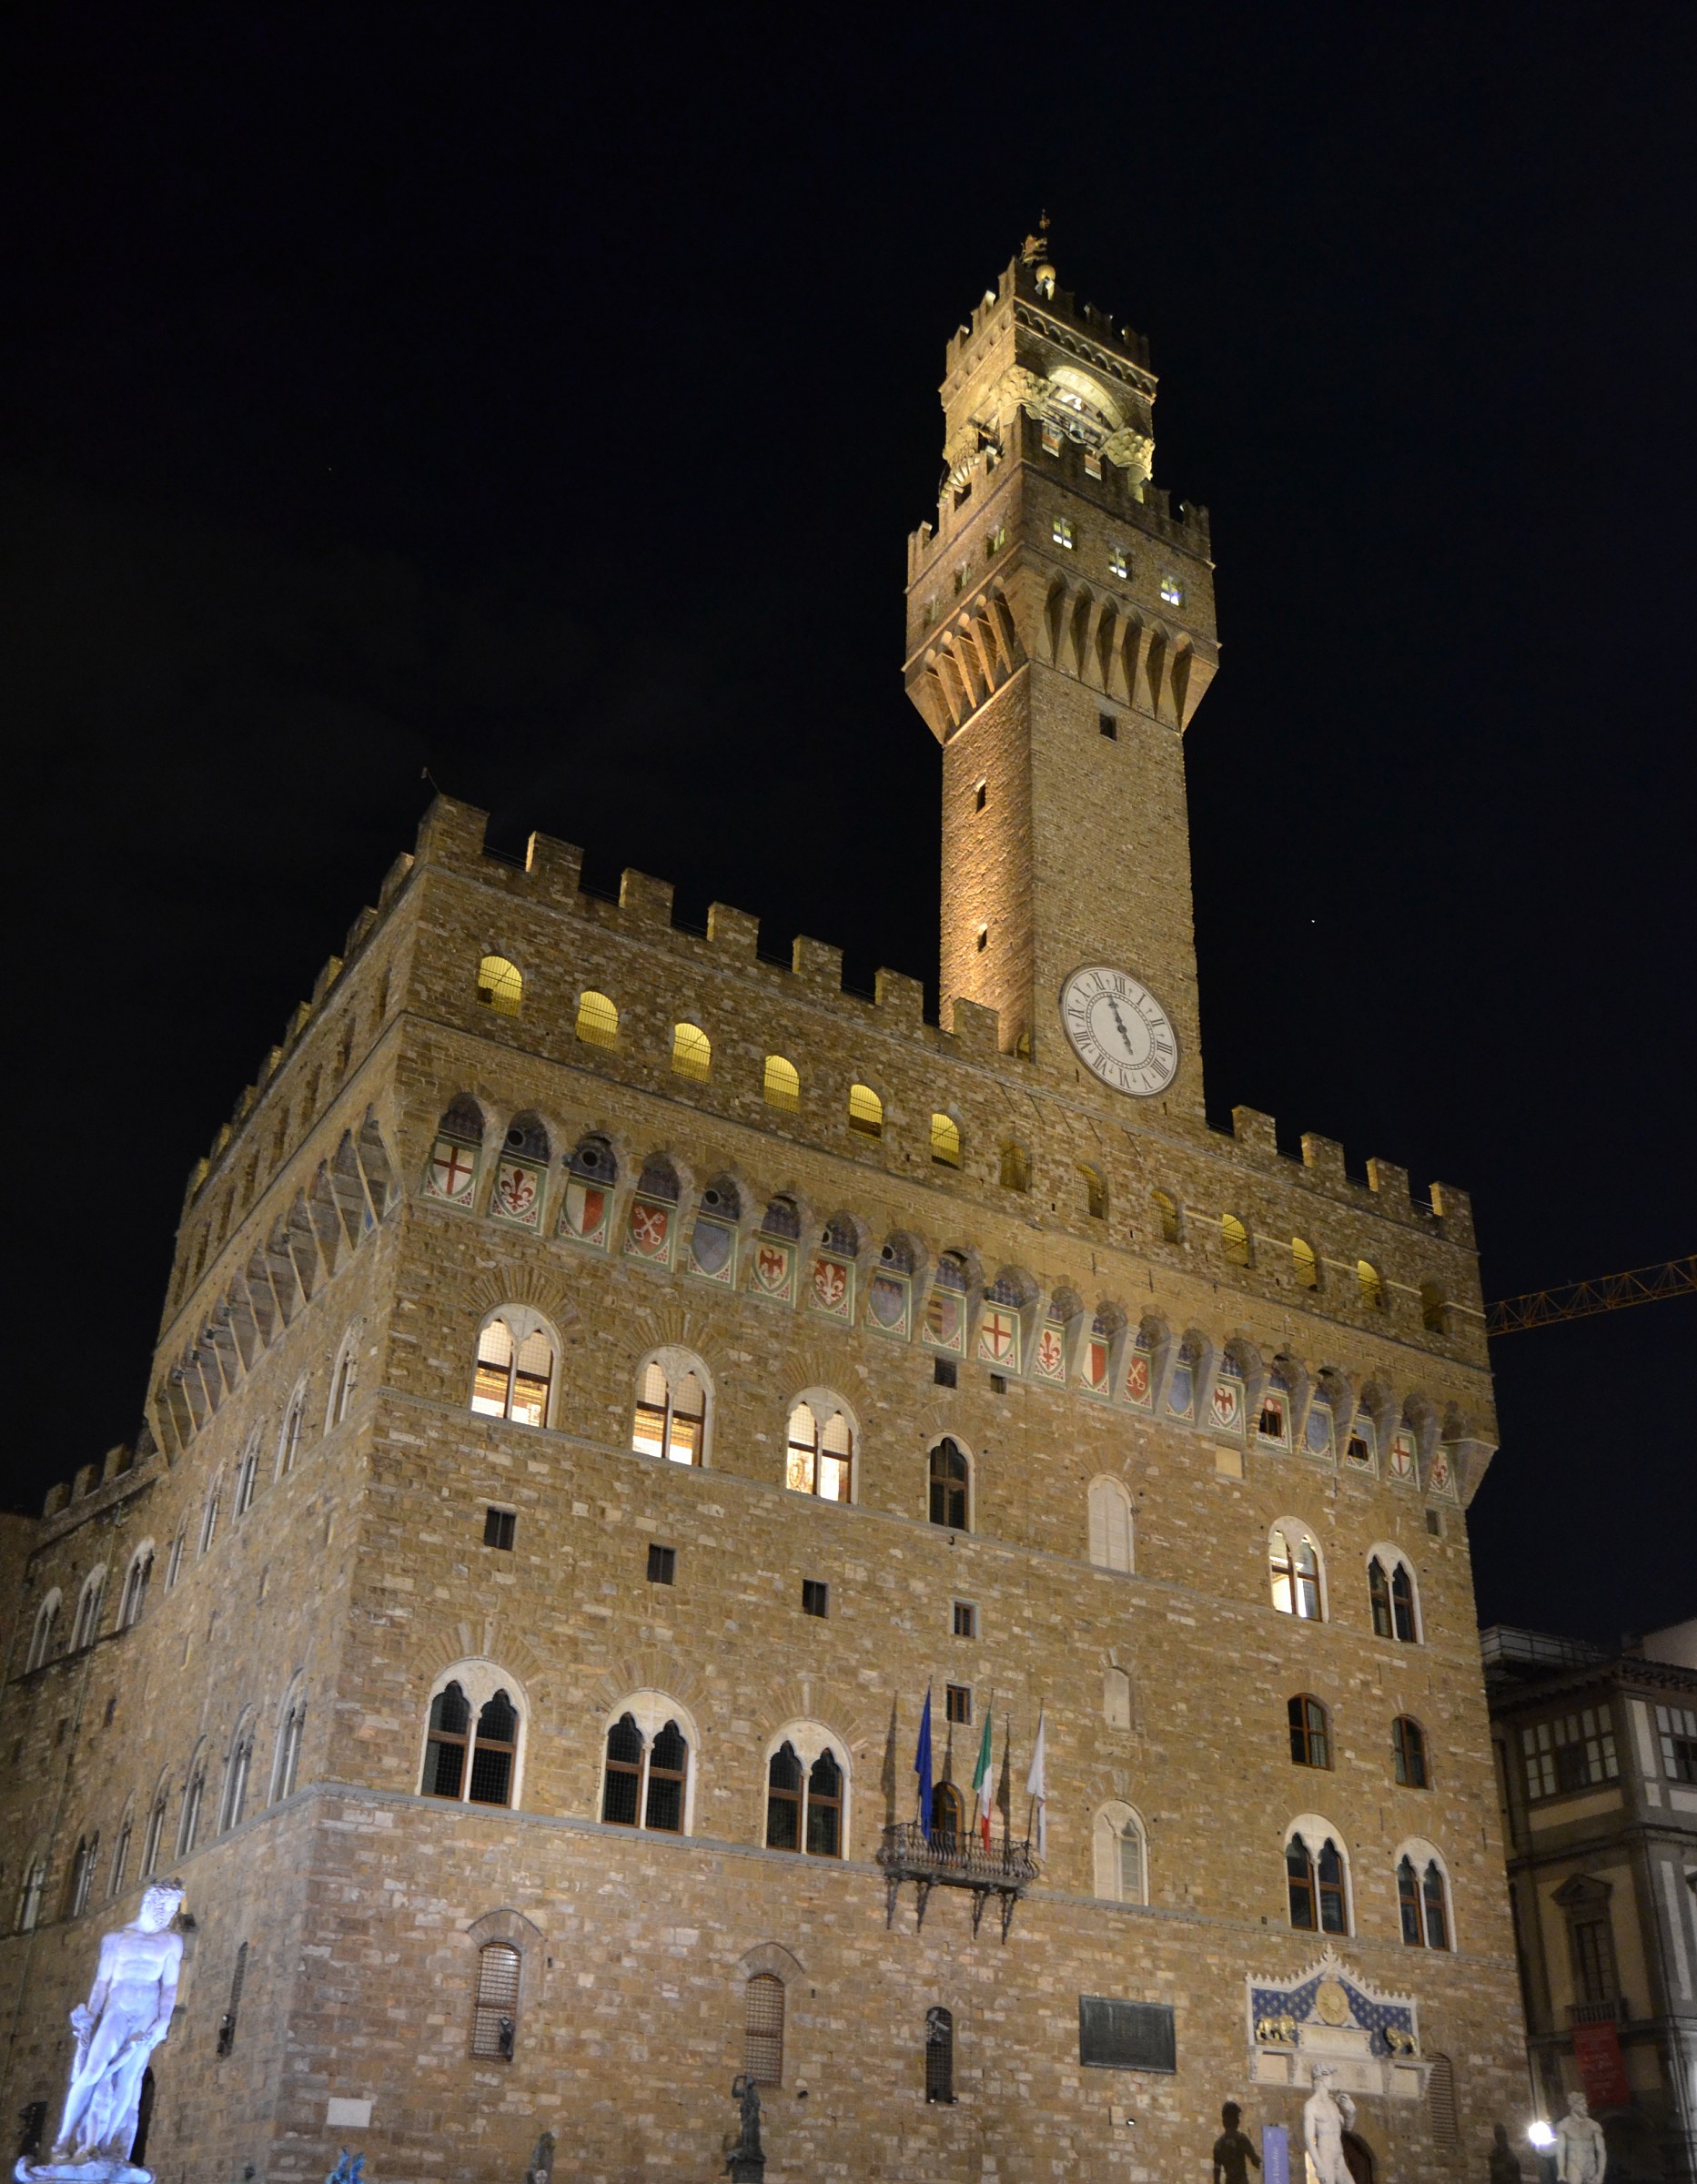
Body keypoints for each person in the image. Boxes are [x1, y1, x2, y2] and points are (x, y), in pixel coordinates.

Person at [49, 1883, 185, 2168]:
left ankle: (106, 2146)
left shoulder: (171, 1942)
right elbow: (102, 1982)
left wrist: (163, 2020)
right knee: (93, 2069)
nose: (172, 1914)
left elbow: (170, 1986)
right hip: (117, 2007)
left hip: (146, 2008)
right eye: (169, 1907)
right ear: (152, 1904)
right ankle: (62, 2141)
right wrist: (91, 2014)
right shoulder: (116, 1938)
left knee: (130, 2077)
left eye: (174, 1909)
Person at [1302, 2065, 1356, 2184]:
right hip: (1325, 2153)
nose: (1332, 2080)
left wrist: (1351, 2113)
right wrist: (1318, 2165)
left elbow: (1347, 2128)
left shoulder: (1333, 2103)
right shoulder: (1311, 2105)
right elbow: (1308, 2140)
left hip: (1339, 2153)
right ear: (1321, 2079)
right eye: (1329, 2077)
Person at [1554, 2089, 1607, 2184]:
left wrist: (1600, 2174)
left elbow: (1601, 2152)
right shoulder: (1564, 2125)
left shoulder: (1593, 2126)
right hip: (1574, 2166)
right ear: (1573, 2106)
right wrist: (1561, 2172)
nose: (1585, 2107)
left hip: (1590, 2166)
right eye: (1581, 2104)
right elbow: (1560, 2150)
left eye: (1585, 2104)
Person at [1212, 2099, 1263, 2184]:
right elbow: (1255, 2159)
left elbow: (1217, 2171)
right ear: (1235, 2120)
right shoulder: (1241, 2139)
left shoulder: (1219, 2144)